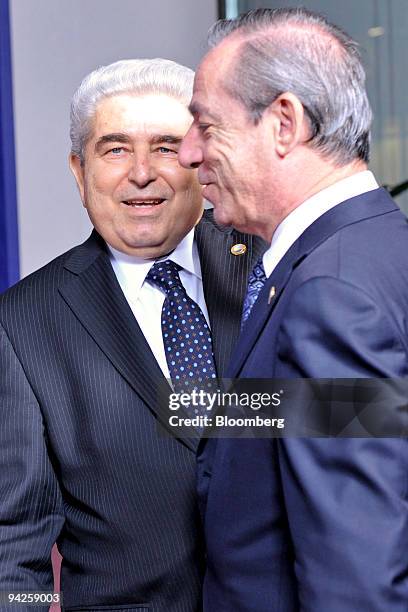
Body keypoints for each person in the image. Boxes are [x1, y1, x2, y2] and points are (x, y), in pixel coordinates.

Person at [0, 58, 264, 611]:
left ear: (201, 160)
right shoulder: (24, 320)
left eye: (166, 147)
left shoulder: (275, 269)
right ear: (79, 170)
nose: (141, 173)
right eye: (115, 149)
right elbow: (12, 540)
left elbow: (361, 420)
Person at [179, 8, 408, 612]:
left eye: (206, 125)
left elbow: (352, 573)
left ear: (284, 123)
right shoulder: (379, 247)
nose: (187, 153)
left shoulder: (330, 294)